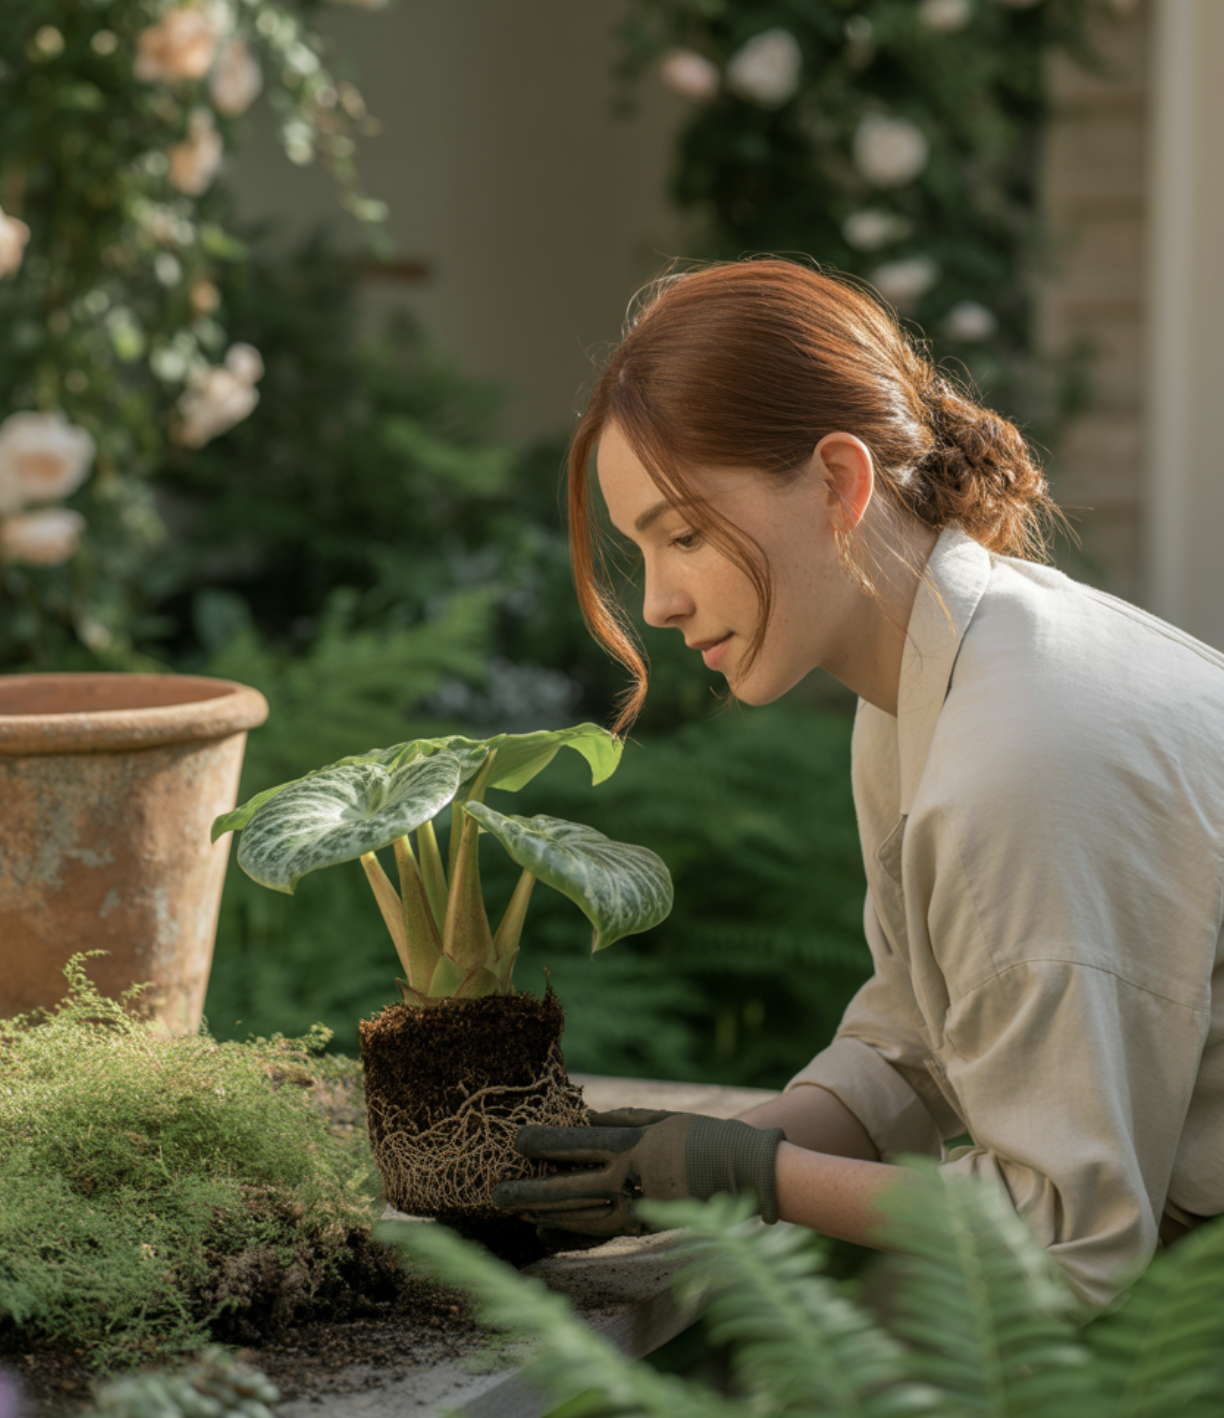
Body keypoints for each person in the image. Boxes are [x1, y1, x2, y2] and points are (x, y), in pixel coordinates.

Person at [491, 258, 1224, 1309]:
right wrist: (694, 1156)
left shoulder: (1016, 756)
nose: (654, 602)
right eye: (640, 551)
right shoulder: (938, 672)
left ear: (839, 482)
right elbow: (919, 1031)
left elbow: (1068, 1234)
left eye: (685, 534)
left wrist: (758, 1178)